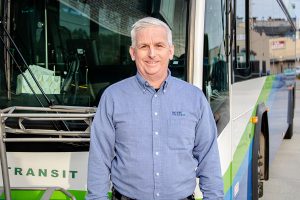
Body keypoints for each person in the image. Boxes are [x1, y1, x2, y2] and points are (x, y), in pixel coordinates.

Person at [86, 17, 224, 200]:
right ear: (133, 52)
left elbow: (209, 158)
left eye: (159, 45)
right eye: (144, 46)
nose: (152, 54)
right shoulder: (113, 97)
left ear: (171, 51)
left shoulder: (195, 99)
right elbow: (99, 158)